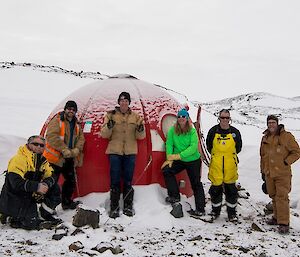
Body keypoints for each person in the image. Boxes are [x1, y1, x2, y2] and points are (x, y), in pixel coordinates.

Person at [0, 135, 61, 230]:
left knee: (55, 188)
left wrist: (45, 184)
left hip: (29, 195)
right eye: (35, 144)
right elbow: (15, 183)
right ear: (28, 144)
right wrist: (37, 187)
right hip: (14, 196)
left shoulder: (42, 161)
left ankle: (44, 213)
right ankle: (9, 216)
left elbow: (52, 175)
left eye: (42, 145)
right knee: (31, 223)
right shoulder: (19, 159)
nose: (39, 147)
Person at [100, 92, 146, 218]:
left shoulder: (136, 117)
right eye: (122, 100)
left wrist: (140, 129)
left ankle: (128, 207)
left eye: (126, 100)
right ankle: (114, 208)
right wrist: (109, 127)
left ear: (129, 102)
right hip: (115, 152)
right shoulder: (110, 115)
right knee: (114, 180)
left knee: (128, 180)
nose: (124, 102)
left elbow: (141, 136)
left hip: (130, 152)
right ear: (118, 102)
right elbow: (104, 134)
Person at [260, 114, 300, 234]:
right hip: (269, 173)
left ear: (277, 124)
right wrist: (263, 171)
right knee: (273, 195)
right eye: (269, 123)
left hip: (282, 174)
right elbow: (262, 156)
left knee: (282, 197)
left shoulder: (286, 136)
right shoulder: (265, 137)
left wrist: (286, 162)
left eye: (273, 122)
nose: (271, 124)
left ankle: (284, 223)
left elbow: (297, 152)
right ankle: (276, 217)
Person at [161, 108, 206, 217]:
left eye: (183, 117)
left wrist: (178, 156)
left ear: (187, 119)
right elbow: (169, 144)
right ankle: (174, 196)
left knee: (196, 184)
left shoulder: (192, 130)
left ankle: (200, 209)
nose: (181, 119)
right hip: (179, 160)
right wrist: (169, 158)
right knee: (167, 170)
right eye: (179, 117)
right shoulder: (173, 130)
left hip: (193, 160)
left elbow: (193, 147)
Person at [44, 100, 85, 210]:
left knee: (70, 181)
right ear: (65, 109)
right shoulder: (57, 120)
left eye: (73, 110)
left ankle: (66, 202)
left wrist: (77, 149)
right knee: (52, 182)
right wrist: (63, 149)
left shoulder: (76, 124)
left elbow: (81, 138)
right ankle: (48, 206)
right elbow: (51, 136)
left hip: (69, 158)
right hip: (55, 158)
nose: (71, 111)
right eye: (69, 109)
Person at [206, 109, 242, 221]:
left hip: (230, 165)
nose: (225, 120)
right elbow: (208, 146)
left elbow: (239, 148)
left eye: (227, 118)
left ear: (230, 119)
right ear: (219, 118)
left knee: (231, 189)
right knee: (215, 189)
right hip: (216, 164)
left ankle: (232, 214)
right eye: (222, 117)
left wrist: (229, 157)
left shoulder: (235, 132)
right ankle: (215, 212)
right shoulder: (213, 131)